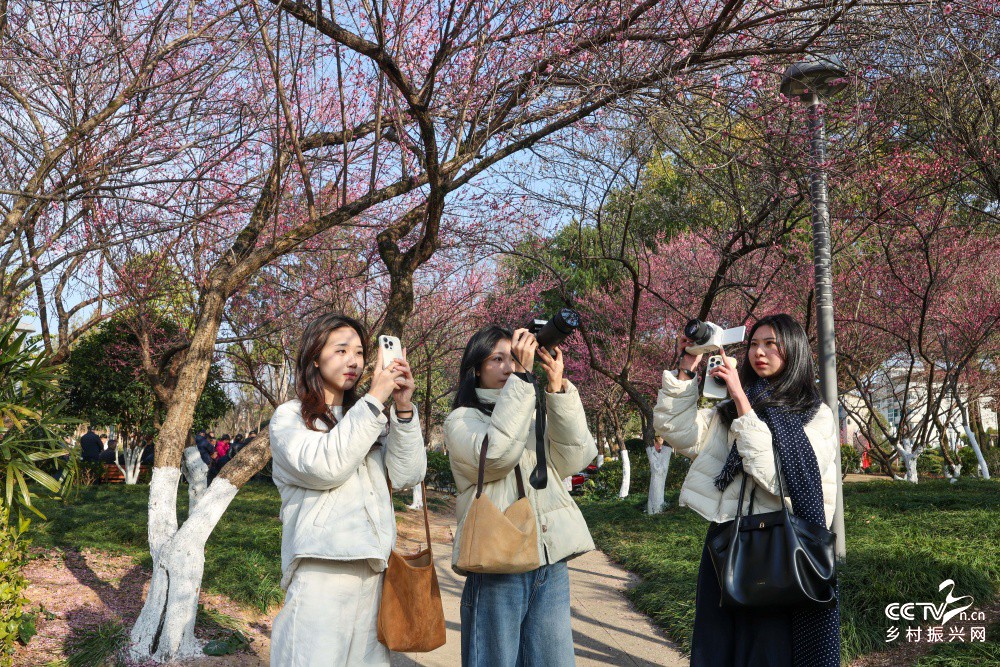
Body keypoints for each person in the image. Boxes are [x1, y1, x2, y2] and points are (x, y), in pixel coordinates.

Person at [653, 314, 840, 667]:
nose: (759, 352)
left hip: (780, 546)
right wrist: (686, 368)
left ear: (794, 350)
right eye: (754, 344)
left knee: (768, 651)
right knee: (718, 646)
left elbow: (779, 478)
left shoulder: (815, 414)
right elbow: (678, 432)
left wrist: (741, 401)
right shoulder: (729, 409)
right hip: (728, 539)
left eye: (771, 344)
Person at [269, 313, 426, 667]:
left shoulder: (368, 417)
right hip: (322, 571)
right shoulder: (289, 417)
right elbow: (327, 466)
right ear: (314, 357)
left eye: (358, 352)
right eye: (341, 350)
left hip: (373, 569)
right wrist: (374, 400)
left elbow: (408, 474)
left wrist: (402, 408)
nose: (353, 360)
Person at [445, 326, 596, 667]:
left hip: (549, 559)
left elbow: (575, 458)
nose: (508, 367)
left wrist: (557, 391)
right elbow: (497, 455)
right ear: (476, 369)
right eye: (497, 359)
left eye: (512, 358)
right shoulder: (461, 420)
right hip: (497, 561)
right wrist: (523, 381)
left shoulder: (531, 411)